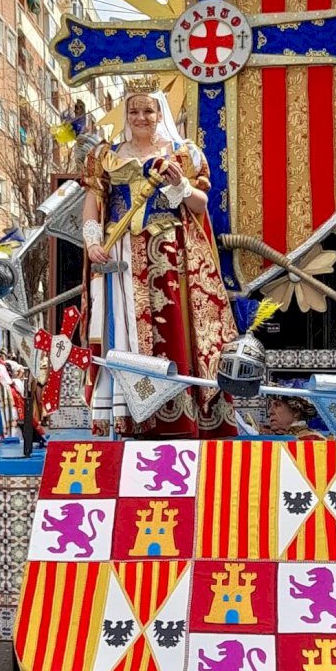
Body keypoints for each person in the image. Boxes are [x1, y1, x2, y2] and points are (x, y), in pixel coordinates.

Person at [81, 75, 237, 438]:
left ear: (159, 112)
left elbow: (200, 205)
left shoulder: (183, 153)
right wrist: (91, 243)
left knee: (173, 330)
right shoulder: (106, 156)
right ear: (125, 113)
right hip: (118, 254)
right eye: (133, 110)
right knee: (121, 329)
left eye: (147, 110)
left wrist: (179, 183)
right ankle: (130, 416)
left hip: (167, 254)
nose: (140, 117)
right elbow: (92, 205)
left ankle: (176, 418)